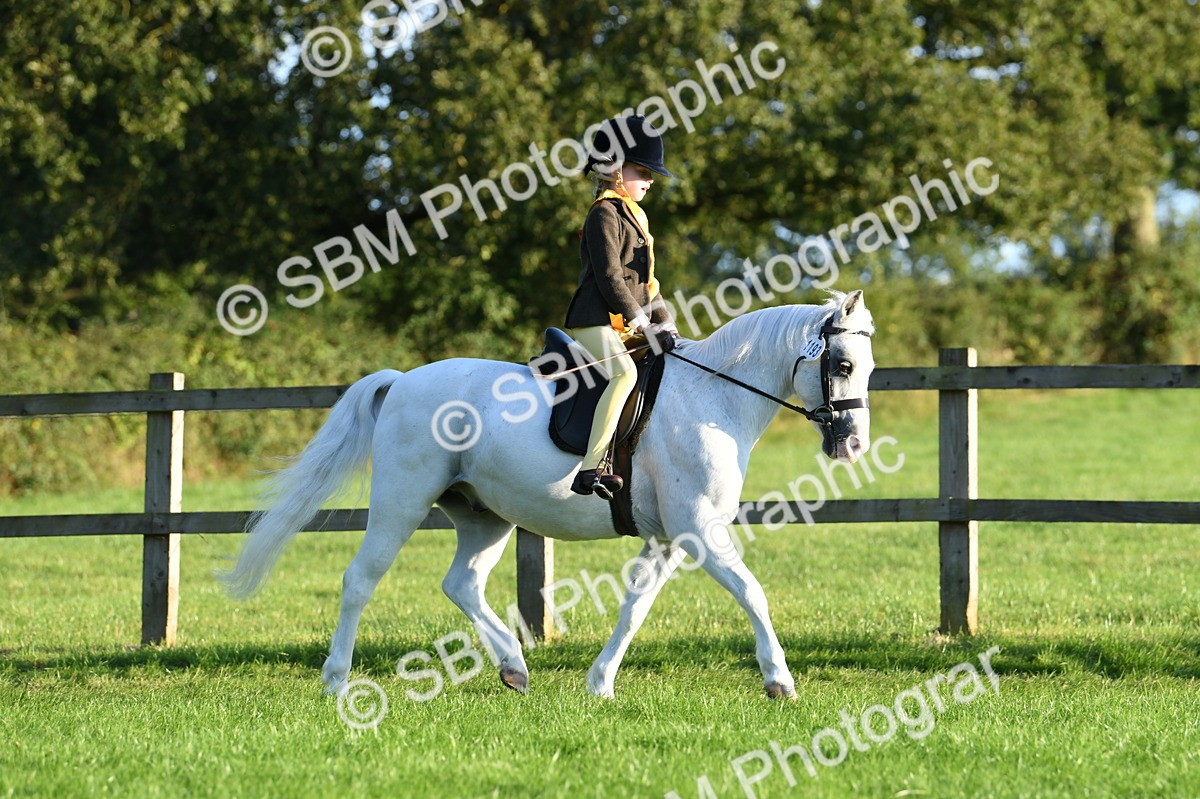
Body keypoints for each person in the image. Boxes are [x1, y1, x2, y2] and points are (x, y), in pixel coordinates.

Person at [563, 115, 678, 499]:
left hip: (624, 320)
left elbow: (647, 284)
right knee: (624, 375)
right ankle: (591, 467)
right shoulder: (603, 213)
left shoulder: (635, 215)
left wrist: (666, 325)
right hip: (593, 320)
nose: (649, 179)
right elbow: (612, 277)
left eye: (650, 173)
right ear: (614, 167)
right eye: (641, 170)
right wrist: (643, 323)